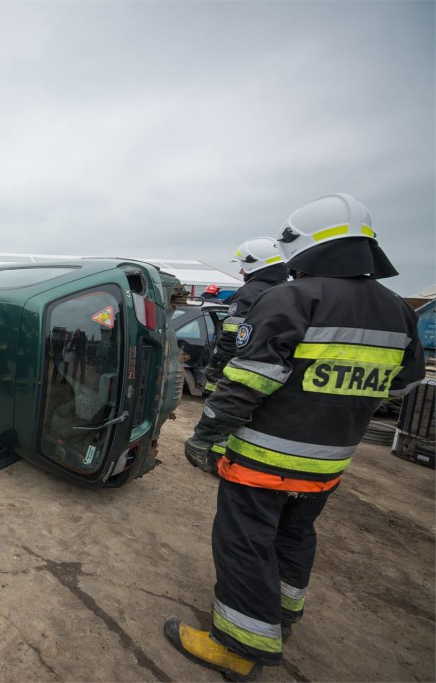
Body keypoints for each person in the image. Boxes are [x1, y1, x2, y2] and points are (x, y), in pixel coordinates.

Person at [166, 193, 425, 681]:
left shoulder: (291, 298)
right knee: (295, 535)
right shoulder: (397, 310)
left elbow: (247, 381)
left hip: (264, 458)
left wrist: (205, 435)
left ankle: (239, 647)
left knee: (244, 542)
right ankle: (283, 618)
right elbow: (401, 386)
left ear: (303, 245)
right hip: (330, 462)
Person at [200, 238, 289, 400]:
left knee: (222, 405)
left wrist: (217, 364)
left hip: (242, 366)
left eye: (242, 266)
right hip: (274, 371)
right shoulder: (287, 290)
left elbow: (233, 334)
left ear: (253, 265)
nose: (241, 272)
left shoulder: (250, 291)